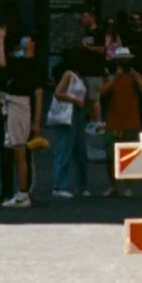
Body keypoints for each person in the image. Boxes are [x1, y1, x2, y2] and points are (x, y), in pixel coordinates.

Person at [0, 30, 43, 207]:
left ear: (33, 44)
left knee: (20, 151)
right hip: (13, 104)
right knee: (16, 151)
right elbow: (2, 62)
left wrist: (37, 120)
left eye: (28, 39)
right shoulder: (18, 61)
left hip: (20, 105)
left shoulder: (34, 64)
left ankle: (23, 193)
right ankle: (21, 192)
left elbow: (38, 93)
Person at [100, 50, 142, 197]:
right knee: (110, 155)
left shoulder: (135, 76)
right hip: (113, 121)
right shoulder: (111, 78)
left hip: (131, 121)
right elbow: (101, 92)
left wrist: (134, 76)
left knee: (130, 155)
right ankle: (112, 185)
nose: (123, 65)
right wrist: (116, 78)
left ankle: (128, 186)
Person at [47, 52, 93, 199]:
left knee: (80, 150)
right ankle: (59, 185)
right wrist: (74, 100)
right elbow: (58, 93)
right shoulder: (69, 74)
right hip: (69, 112)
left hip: (78, 114)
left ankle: (81, 185)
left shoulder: (80, 77)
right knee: (65, 149)